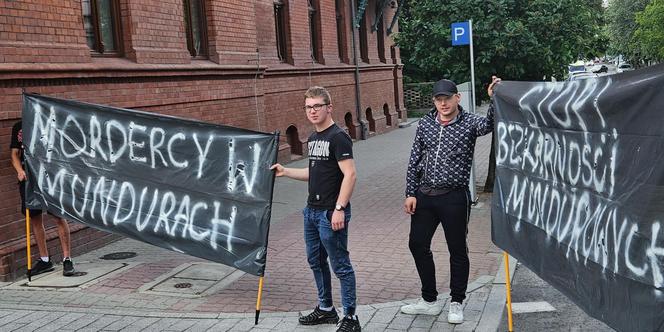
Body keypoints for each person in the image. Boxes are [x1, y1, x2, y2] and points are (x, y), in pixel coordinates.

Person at [400, 77, 501, 324]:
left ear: (458, 98)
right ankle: (429, 300)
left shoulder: (469, 123)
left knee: (457, 250)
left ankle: (456, 302)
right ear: (434, 101)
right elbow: (415, 159)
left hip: (454, 197)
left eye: (447, 98)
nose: (443, 103)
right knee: (417, 244)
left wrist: (493, 97)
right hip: (425, 196)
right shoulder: (425, 123)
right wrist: (410, 193)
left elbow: (490, 124)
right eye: (438, 99)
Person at [270, 86, 360, 332]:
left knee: (340, 264)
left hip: (331, 212)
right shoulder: (314, 138)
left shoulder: (338, 136)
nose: (312, 111)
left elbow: (350, 175)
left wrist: (340, 208)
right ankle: (326, 309)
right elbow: (315, 172)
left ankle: (350, 318)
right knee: (316, 261)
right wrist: (286, 171)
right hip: (311, 212)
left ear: (328, 107)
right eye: (308, 107)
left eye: (317, 106)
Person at [11, 120, 76, 277]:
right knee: (34, 218)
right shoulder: (19, 126)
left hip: (49, 178)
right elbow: (14, 154)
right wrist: (19, 170)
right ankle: (45, 259)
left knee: (58, 216)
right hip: (29, 179)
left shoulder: (49, 124)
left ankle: (67, 258)